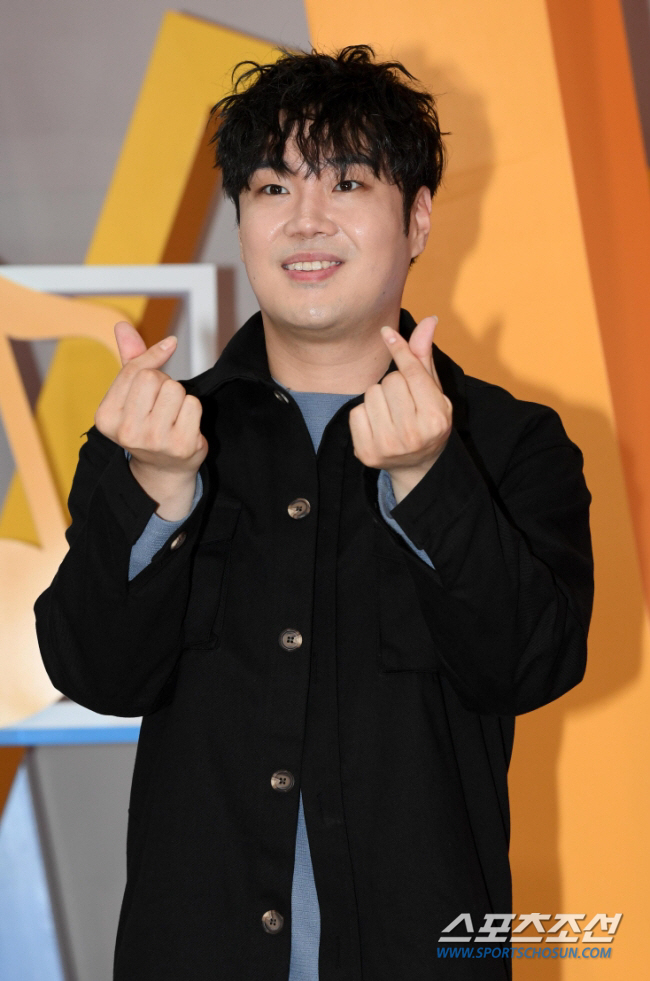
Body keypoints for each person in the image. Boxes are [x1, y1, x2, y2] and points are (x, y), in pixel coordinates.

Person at [34, 45, 593, 981]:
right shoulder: (156, 434)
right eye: (271, 186)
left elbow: (530, 663)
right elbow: (94, 671)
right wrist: (155, 494)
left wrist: (430, 479)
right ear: (242, 219)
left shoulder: (510, 444)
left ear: (418, 219)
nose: (306, 218)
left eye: (347, 181)